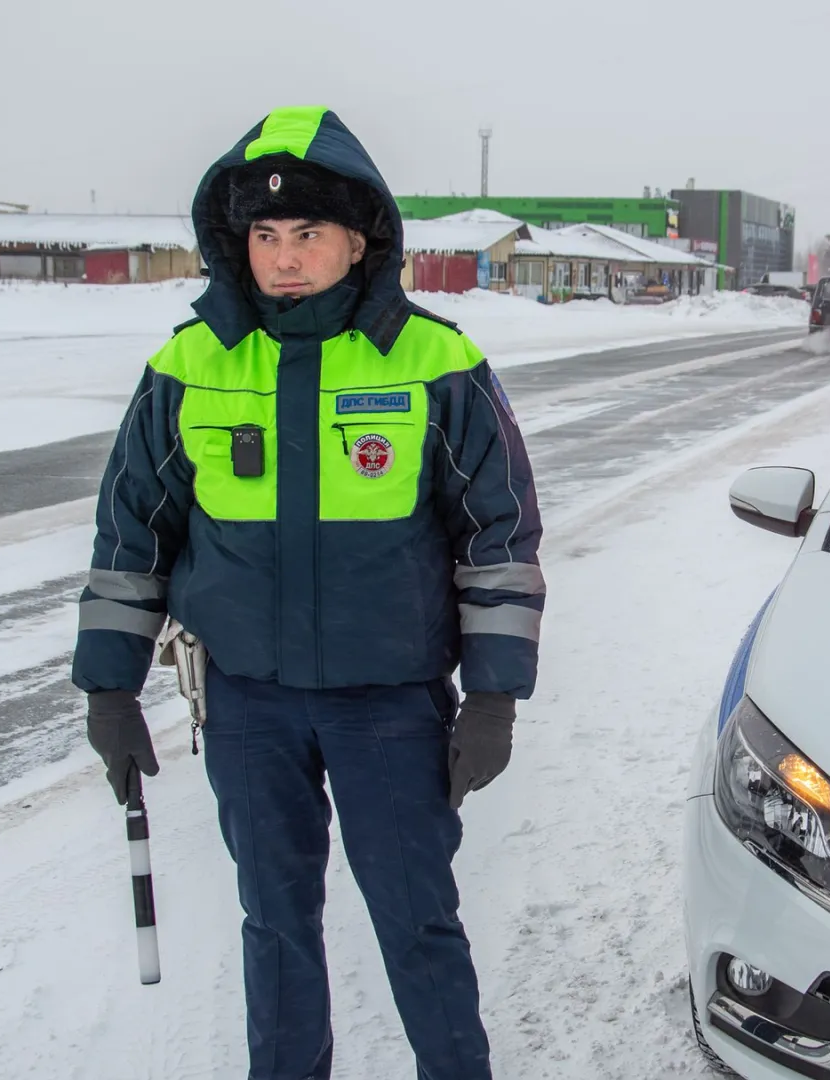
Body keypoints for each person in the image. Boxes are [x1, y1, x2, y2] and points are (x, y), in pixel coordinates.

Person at [71, 106, 543, 1080]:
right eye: (265, 234)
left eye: (309, 233)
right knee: (275, 928)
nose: (285, 256)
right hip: (250, 708)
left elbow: (499, 539)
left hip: (391, 709)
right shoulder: (188, 365)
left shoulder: (436, 363)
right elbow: (131, 536)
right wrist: (107, 689)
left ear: (360, 237)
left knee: (418, 921)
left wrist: (493, 697)